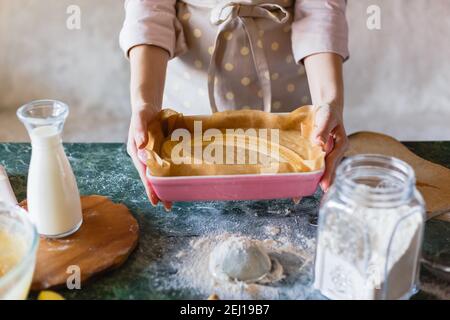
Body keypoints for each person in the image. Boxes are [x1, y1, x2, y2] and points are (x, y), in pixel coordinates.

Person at [119, 0, 349, 209]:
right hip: (188, 106)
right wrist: (145, 102)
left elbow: (319, 8)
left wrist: (328, 102)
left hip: (287, 108)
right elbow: (150, 8)